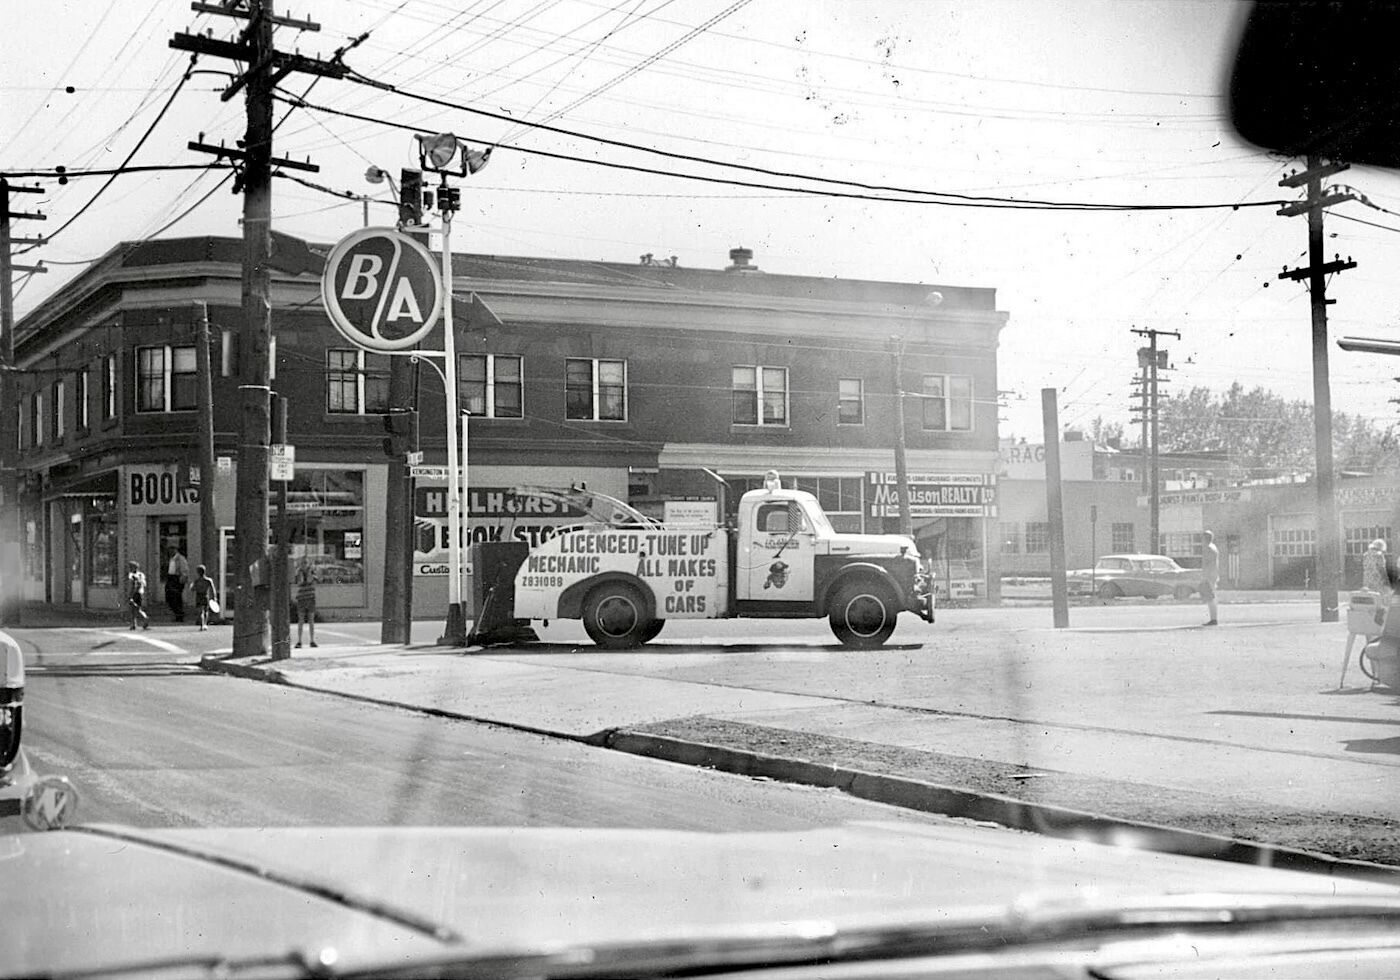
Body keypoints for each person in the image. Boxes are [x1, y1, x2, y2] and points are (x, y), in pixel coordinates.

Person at [294, 557, 318, 648]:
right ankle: (299, 641)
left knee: (311, 619)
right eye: (302, 563)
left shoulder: (312, 572)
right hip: (301, 598)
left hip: (310, 597)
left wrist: (309, 572)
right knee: (301, 620)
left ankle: (312, 640)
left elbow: (310, 580)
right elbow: (299, 582)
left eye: (306, 563)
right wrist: (301, 573)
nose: (304, 565)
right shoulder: (298, 572)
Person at [1200, 530, 1220, 626]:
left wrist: (1205, 576)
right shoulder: (1213, 547)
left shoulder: (1208, 548)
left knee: (1210, 597)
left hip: (1210, 575)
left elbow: (1207, 564)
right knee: (1212, 597)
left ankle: (1213, 619)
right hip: (1213, 573)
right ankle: (1213, 618)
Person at [165, 546, 190, 622]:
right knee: (169, 597)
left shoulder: (181, 559)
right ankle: (175, 613)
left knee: (177, 598)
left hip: (177, 578)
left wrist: (182, 580)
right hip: (170, 578)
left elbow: (185, 570)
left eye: (172, 549)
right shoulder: (170, 559)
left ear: (175, 550)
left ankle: (179, 615)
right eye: (170, 549)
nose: (170, 551)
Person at [190, 564, 217, 631]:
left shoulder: (197, 581)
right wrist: (214, 597)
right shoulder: (208, 580)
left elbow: (192, 589)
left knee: (200, 611)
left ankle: (202, 625)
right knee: (205, 611)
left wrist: (193, 586)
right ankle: (205, 624)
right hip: (205, 596)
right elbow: (213, 589)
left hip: (199, 596)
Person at [125, 560, 149, 630]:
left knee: (132, 609)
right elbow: (144, 584)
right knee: (138, 608)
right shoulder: (141, 575)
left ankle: (133, 624)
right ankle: (144, 617)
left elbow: (133, 585)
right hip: (141, 593)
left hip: (134, 593)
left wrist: (130, 595)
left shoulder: (131, 575)